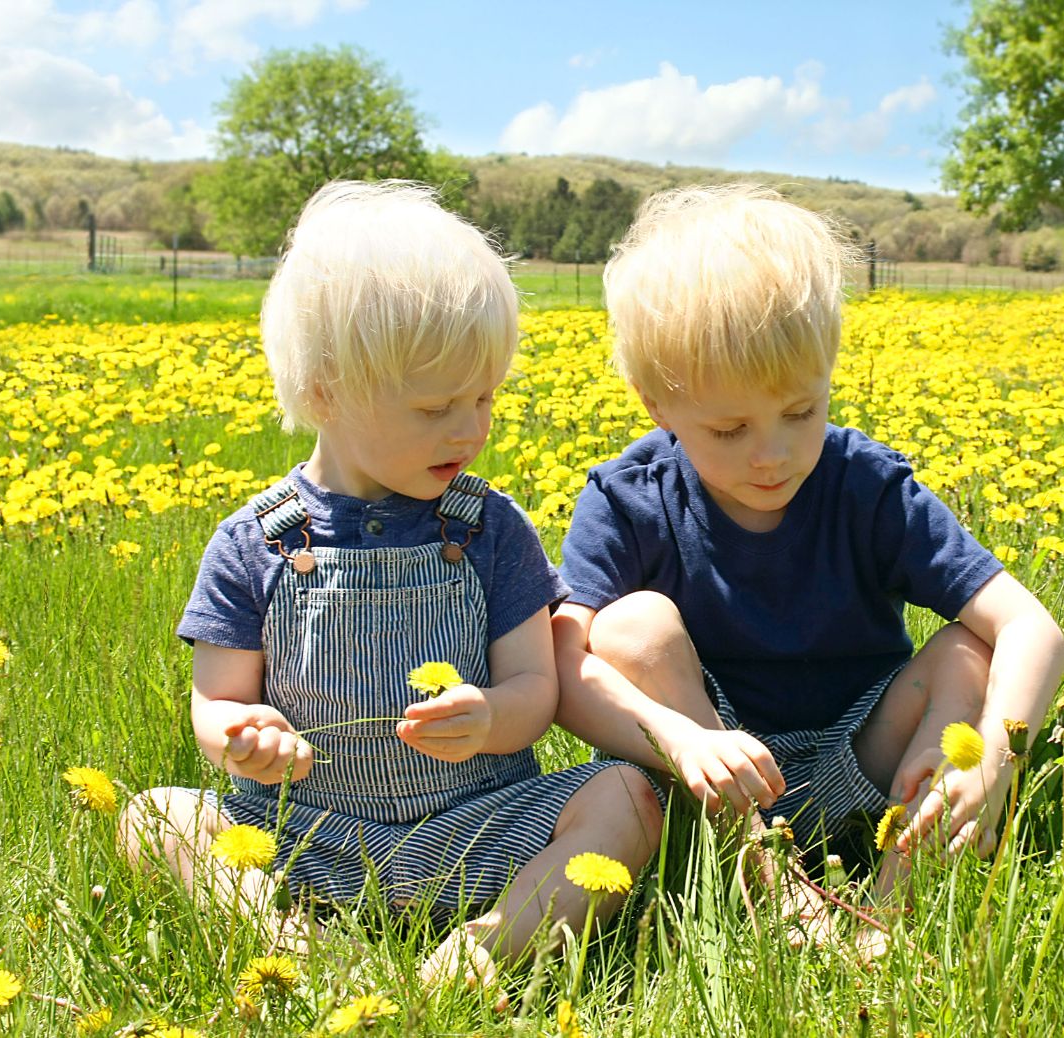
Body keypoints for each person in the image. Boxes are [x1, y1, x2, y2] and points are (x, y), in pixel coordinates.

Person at [119, 180, 662, 987]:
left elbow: (534, 690)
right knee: (153, 816)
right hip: (308, 834)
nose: (471, 428)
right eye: (437, 405)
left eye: (485, 397)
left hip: (478, 829)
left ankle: (481, 953)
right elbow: (216, 701)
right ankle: (299, 951)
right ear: (324, 391)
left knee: (628, 794)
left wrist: (489, 720)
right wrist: (242, 736)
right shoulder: (254, 543)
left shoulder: (489, 529)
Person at [551, 185, 1064, 947]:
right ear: (657, 404)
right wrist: (685, 738)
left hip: (859, 755)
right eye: (729, 428)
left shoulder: (867, 485)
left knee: (971, 649)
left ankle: (894, 910)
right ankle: (772, 886)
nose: (774, 454)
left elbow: (1031, 626)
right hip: (706, 776)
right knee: (631, 628)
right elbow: (562, 671)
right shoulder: (628, 498)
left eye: (801, 411)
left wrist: (995, 750)